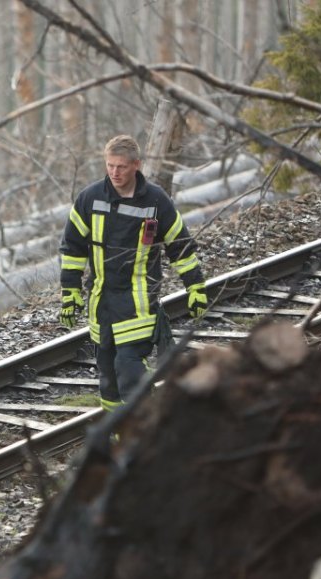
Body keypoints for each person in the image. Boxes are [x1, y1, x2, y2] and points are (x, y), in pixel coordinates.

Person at [57, 134, 209, 411]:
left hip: (138, 304)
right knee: (108, 379)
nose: (114, 172)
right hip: (101, 304)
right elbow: (73, 250)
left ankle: (144, 430)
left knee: (128, 369)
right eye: (110, 165)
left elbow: (180, 247)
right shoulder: (89, 199)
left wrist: (195, 287)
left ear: (136, 165)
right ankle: (119, 435)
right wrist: (70, 293)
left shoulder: (155, 201)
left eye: (121, 167)